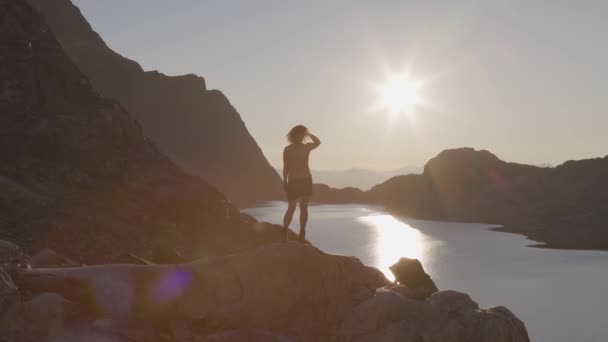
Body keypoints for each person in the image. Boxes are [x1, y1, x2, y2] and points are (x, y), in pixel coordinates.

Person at [282, 125, 321, 242]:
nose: (301, 136)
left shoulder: (306, 147)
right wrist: (284, 180)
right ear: (294, 135)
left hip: (305, 179)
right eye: (300, 134)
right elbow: (286, 166)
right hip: (294, 181)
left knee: (304, 207)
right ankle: (284, 233)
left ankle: (302, 233)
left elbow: (318, 142)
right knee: (292, 207)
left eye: (302, 134)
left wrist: (308, 133)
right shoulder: (288, 149)